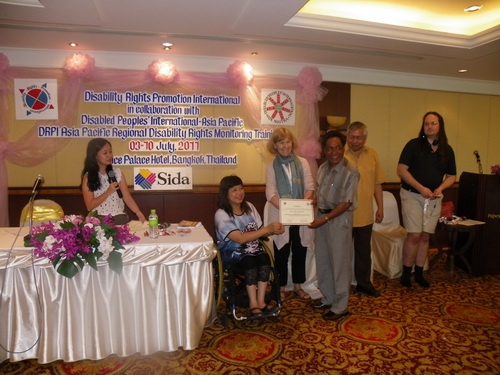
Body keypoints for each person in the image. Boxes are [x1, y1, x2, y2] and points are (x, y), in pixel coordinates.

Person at [397, 111, 456, 288]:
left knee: (425, 236)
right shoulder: (413, 145)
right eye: (426, 124)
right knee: (414, 234)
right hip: (412, 195)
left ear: (440, 126)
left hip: (433, 199)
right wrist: (420, 188)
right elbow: (401, 170)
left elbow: (452, 176)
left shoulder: (447, 149)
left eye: (433, 123)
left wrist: (440, 188)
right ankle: (406, 274)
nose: (429, 127)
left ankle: (420, 273)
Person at [214, 175, 285, 318]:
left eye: (241, 188)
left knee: (264, 259)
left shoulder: (250, 207)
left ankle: (261, 302)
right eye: (234, 190)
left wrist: (273, 229)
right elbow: (239, 239)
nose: (239, 193)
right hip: (232, 254)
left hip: (254, 250)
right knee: (250, 261)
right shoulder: (221, 215)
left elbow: (260, 231)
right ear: (225, 194)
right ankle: (253, 304)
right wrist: (266, 229)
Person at [309, 131, 359, 321]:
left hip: (338, 221)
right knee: (323, 261)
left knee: (340, 264)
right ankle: (328, 297)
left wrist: (325, 219)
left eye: (338, 148)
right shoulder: (323, 168)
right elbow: (320, 196)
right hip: (322, 219)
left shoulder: (351, 171)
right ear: (324, 150)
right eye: (329, 148)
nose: (334, 152)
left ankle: (341, 306)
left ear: (343, 148)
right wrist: (309, 204)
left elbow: (346, 202)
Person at [265, 127, 315, 301]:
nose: (285, 145)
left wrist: (300, 206)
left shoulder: (303, 162)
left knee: (300, 251)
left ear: (292, 142)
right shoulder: (272, 166)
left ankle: (298, 286)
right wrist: (287, 209)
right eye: (281, 142)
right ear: (275, 146)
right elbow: (270, 193)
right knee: (282, 252)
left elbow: (310, 187)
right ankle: (281, 287)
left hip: (300, 216)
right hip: (281, 216)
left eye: (287, 141)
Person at [345, 121, 385, 297]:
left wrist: (380, 207)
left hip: (365, 213)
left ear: (364, 138)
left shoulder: (373, 155)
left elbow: (377, 183)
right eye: (351, 137)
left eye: (358, 137)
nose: (354, 141)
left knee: (363, 252)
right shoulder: (340, 154)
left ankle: (363, 283)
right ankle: (342, 285)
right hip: (343, 214)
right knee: (343, 253)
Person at [80, 138, 146, 224]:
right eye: (105, 153)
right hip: (99, 219)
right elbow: (90, 206)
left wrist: (138, 212)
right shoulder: (88, 177)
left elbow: (127, 197)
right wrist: (108, 192)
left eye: (110, 152)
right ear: (95, 155)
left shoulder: (117, 173)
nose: (109, 155)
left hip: (120, 217)